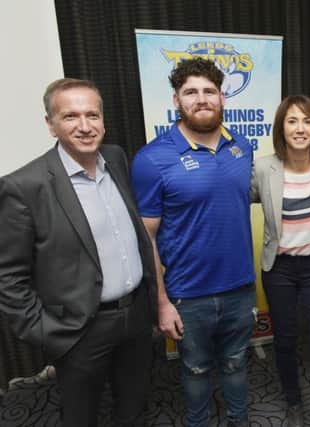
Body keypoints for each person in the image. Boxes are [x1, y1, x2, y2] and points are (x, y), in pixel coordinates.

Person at [0, 78, 156, 427]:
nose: (85, 127)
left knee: (134, 408)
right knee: (80, 416)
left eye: (92, 115)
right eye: (70, 116)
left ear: (103, 119)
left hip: (135, 317)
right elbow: (9, 276)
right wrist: (48, 333)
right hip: (80, 330)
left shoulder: (115, 158)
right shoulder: (24, 186)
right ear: (50, 124)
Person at [131, 58, 256, 427]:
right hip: (188, 295)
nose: (201, 100)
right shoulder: (152, 159)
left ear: (222, 97)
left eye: (209, 91)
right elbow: (147, 237)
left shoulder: (241, 147)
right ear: (176, 100)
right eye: (191, 92)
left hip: (241, 288)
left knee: (236, 363)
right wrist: (162, 302)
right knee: (197, 370)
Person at [251, 95, 310, 427]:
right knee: (286, 341)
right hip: (280, 269)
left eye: (307, 121)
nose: (300, 128)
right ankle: (292, 402)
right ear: (281, 127)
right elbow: (234, 196)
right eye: (292, 121)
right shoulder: (264, 167)